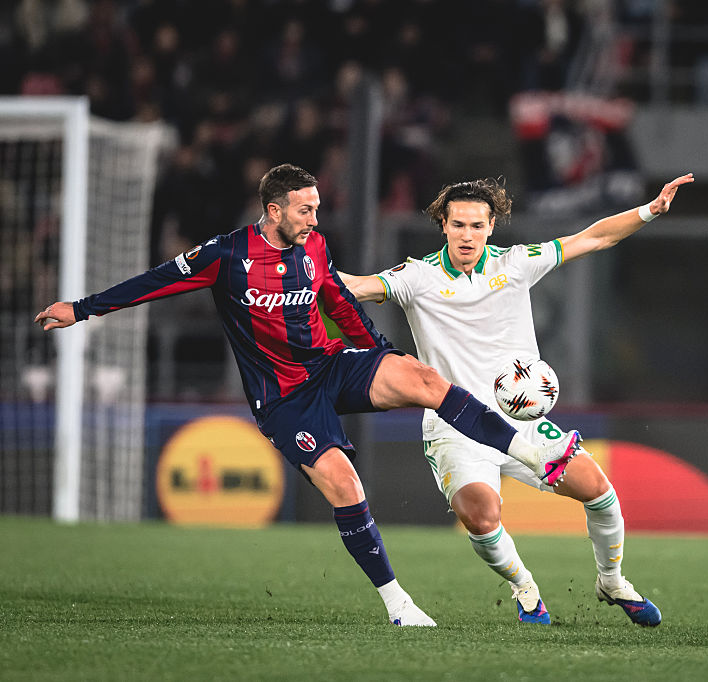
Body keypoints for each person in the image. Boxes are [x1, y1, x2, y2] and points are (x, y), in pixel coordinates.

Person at [34, 163, 582, 627]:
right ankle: (398, 603)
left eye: (317, 209)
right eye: (305, 210)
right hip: (283, 398)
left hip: (329, 366)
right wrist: (81, 309)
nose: (316, 219)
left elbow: (340, 304)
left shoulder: (314, 246)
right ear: (274, 211)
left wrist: (382, 354)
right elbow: (154, 282)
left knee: (424, 378)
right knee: (345, 484)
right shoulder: (225, 256)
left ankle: (525, 449)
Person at [339, 173, 694, 626]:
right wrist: (295, 267)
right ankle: (526, 589)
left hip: (521, 420)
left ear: (492, 227)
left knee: (600, 493)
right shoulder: (417, 277)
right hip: (455, 424)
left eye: (477, 225)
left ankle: (612, 580)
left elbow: (593, 238)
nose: (467, 235)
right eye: (458, 224)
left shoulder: (516, 263)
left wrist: (650, 210)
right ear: (443, 226)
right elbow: (354, 287)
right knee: (481, 516)